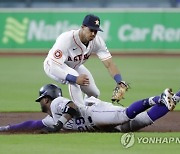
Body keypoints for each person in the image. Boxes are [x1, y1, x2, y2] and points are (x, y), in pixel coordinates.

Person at [0, 84, 179, 133]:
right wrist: (6, 128)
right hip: (101, 125)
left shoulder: (57, 103)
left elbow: (71, 107)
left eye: (41, 99)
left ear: (46, 98)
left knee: (125, 115)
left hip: (94, 113)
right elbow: (32, 124)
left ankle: (158, 98)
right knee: (141, 122)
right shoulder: (49, 119)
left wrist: (58, 125)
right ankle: (176, 97)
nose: (40, 103)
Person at [43, 14, 127, 105]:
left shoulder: (97, 42)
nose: (93, 34)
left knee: (94, 93)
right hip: (54, 66)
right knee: (74, 78)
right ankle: (79, 112)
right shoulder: (66, 39)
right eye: (91, 30)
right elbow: (53, 66)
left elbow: (109, 64)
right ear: (83, 27)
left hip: (75, 66)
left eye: (96, 31)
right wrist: (74, 78)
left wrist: (119, 81)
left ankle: (87, 113)